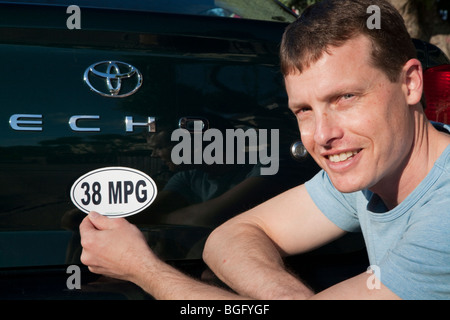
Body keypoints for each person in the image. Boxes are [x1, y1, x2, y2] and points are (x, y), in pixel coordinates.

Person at [79, 0, 450, 299]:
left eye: (345, 97)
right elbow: (230, 236)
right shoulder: (374, 173)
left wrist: (143, 269)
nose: (322, 135)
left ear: (411, 83)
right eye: (304, 110)